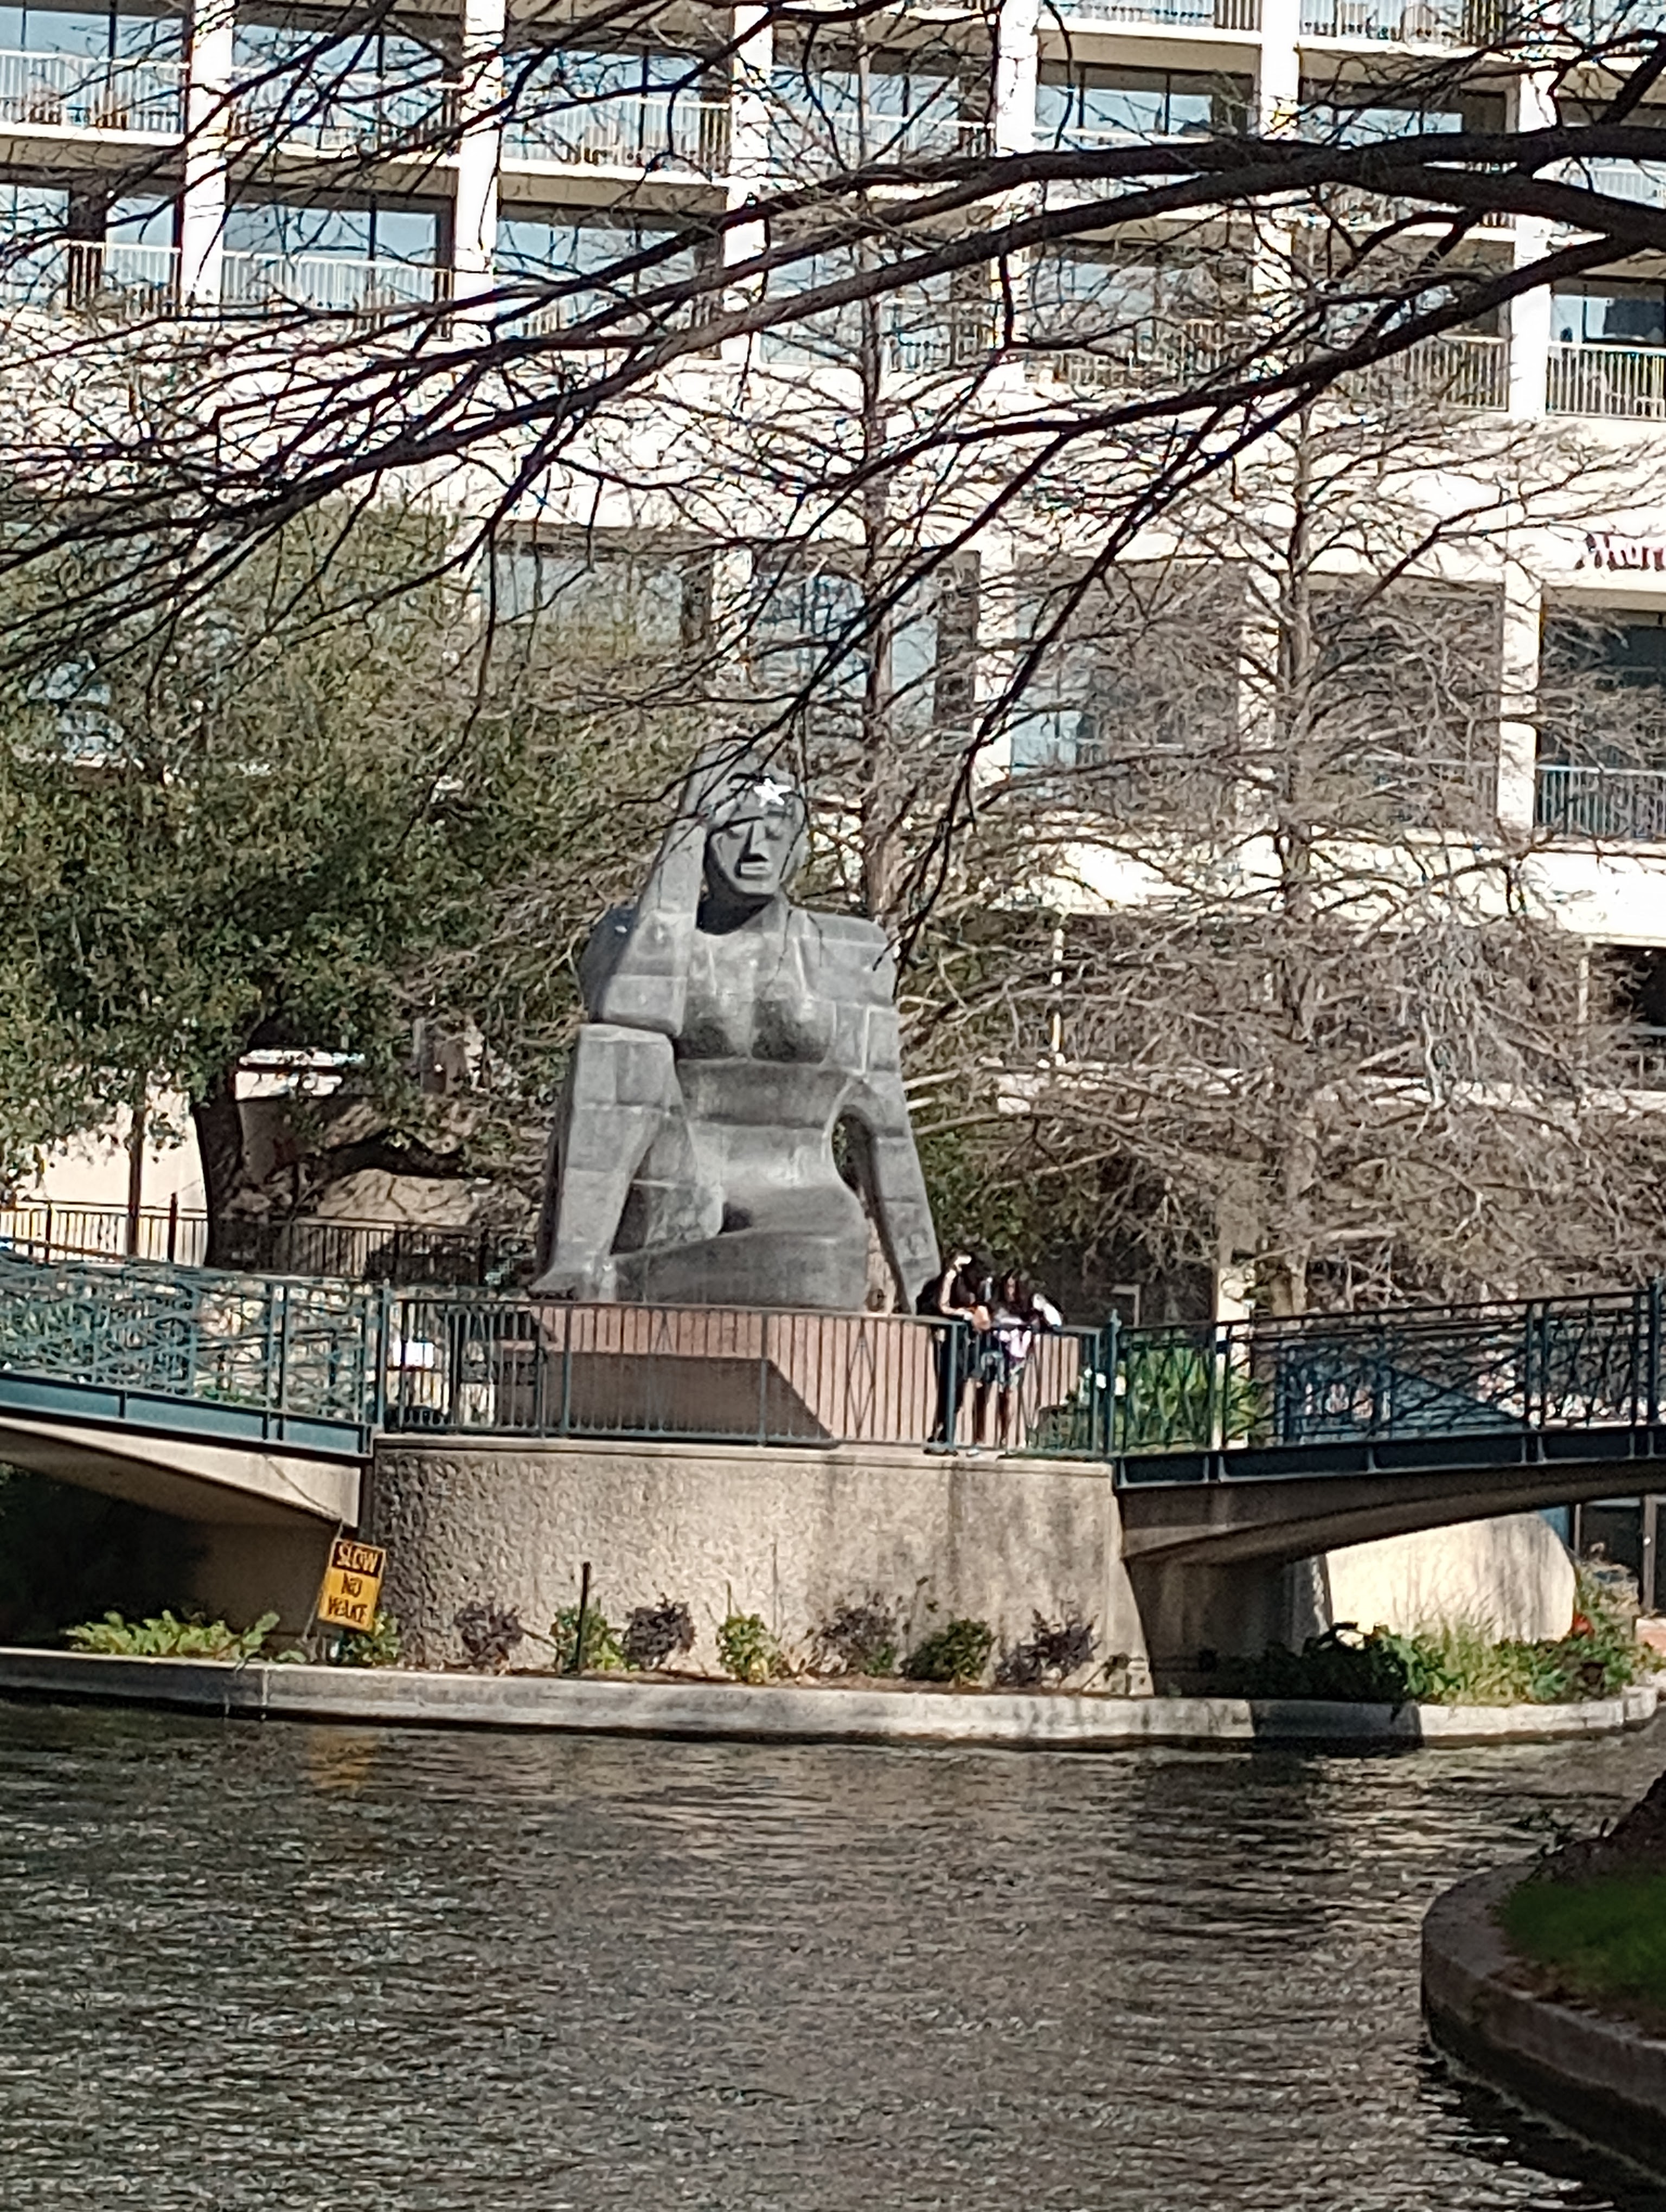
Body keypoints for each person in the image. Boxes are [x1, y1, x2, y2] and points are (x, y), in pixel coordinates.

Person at [977, 1272, 1062, 1449]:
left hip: (1015, 1357)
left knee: (1008, 1394)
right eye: (1006, 1286)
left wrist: (1041, 1307)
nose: (1009, 1291)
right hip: (995, 1350)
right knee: (984, 1392)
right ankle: (979, 1436)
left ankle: (1004, 1437)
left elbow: (1055, 1322)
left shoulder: (1027, 1308)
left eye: (1012, 1286)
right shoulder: (996, 1306)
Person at [922, 1249, 988, 1443]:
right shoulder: (949, 1277)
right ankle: (941, 1433)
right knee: (947, 1388)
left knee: (958, 1389)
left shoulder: (970, 1283)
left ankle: (945, 1434)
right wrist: (963, 1314)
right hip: (948, 1341)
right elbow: (943, 1306)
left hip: (963, 1342)